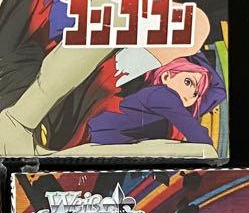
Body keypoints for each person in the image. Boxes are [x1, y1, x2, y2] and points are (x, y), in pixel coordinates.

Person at [87, 58, 224, 147]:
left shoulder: (178, 110)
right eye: (188, 82)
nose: (190, 95)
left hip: (110, 147)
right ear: (166, 76)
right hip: (94, 138)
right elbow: (198, 136)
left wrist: (196, 50)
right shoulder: (161, 94)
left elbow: (218, 91)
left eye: (196, 94)